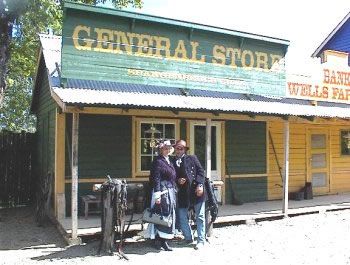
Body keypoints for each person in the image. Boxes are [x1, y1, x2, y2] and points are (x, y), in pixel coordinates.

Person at [172, 139, 206, 250]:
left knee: (200, 217)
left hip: (196, 191)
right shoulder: (172, 162)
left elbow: (201, 172)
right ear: (175, 149)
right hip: (182, 193)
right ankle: (188, 238)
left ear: (185, 150)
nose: (179, 150)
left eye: (181, 148)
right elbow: (171, 177)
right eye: (177, 148)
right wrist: (177, 180)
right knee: (182, 217)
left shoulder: (192, 158)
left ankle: (201, 240)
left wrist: (200, 185)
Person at [146, 140, 177, 251]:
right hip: (161, 192)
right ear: (161, 149)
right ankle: (158, 240)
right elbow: (156, 178)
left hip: (169, 191)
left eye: (169, 148)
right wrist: (157, 195)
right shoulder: (158, 161)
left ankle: (163, 240)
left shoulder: (169, 160)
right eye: (165, 148)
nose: (167, 150)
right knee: (161, 215)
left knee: (167, 215)